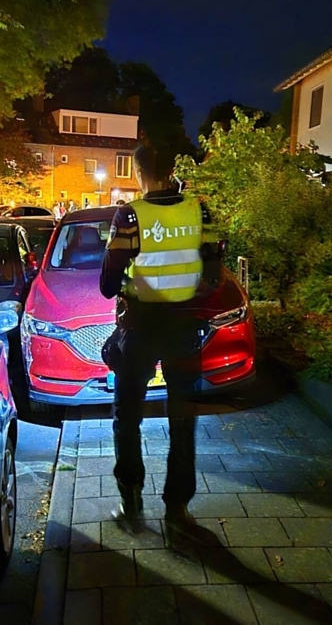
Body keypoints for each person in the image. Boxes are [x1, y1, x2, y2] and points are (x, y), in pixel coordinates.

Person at [99, 145, 217, 549]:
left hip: (141, 325)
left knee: (128, 414)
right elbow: (214, 272)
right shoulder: (199, 211)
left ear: (138, 172)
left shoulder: (131, 215)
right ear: (171, 169)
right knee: (183, 417)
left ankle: (132, 502)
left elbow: (107, 284)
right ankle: (177, 508)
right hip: (183, 324)